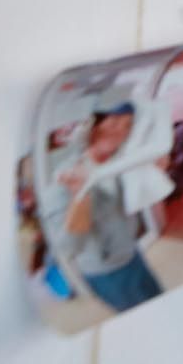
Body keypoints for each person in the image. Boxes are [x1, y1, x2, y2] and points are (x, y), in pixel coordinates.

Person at [55, 102, 166, 312]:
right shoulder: (66, 174)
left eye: (127, 126)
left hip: (132, 254)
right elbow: (69, 247)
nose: (120, 132)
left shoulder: (122, 163)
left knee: (162, 303)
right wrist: (81, 194)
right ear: (93, 126)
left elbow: (136, 202)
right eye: (114, 123)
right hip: (106, 271)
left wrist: (154, 174)